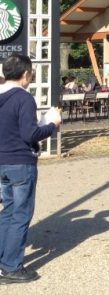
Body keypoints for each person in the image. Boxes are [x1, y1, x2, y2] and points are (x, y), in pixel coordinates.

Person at [0, 54, 62, 283]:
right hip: (20, 162)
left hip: (2, 161)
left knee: (7, 211)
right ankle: (11, 266)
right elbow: (30, 134)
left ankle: (3, 260)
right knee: (20, 214)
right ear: (26, 74)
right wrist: (51, 125)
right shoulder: (23, 99)